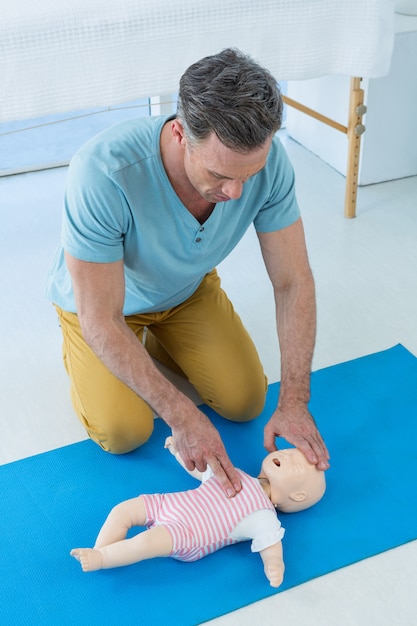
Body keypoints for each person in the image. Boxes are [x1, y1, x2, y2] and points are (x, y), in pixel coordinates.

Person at [45, 48, 330, 499]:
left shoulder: (270, 165)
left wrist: (295, 398)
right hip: (104, 308)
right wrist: (182, 414)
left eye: (248, 174)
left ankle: (160, 340)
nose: (235, 193)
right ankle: (90, 347)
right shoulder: (102, 171)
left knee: (244, 401)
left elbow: (293, 280)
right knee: (125, 432)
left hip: (185, 293)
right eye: (219, 175)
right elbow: (100, 317)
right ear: (180, 133)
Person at [70, 437, 326, 587]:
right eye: (290, 451)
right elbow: (201, 471)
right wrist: (179, 452)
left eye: (295, 463)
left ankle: (102, 559)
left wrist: (274, 565)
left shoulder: (264, 516)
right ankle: (101, 551)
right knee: (122, 510)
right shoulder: (238, 474)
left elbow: (271, 547)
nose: (286, 454)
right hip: (170, 504)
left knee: (146, 542)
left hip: (188, 534)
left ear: (298, 496)